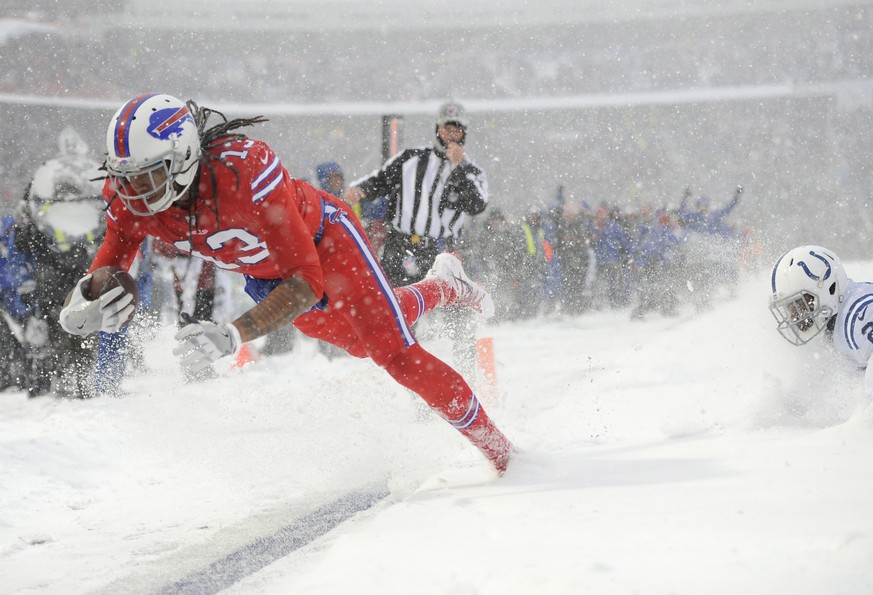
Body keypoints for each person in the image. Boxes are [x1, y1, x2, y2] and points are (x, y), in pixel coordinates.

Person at [57, 93, 512, 473]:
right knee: (360, 341)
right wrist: (82, 303)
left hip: (325, 242)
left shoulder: (243, 170)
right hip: (264, 274)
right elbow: (105, 269)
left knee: (392, 352)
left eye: (148, 175)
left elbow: (307, 281)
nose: (134, 191)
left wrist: (232, 333)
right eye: (126, 177)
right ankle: (444, 285)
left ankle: (502, 454)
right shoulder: (129, 197)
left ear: (184, 159)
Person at [342, 100, 488, 287]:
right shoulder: (410, 159)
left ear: (464, 133)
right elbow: (380, 180)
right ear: (438, 128)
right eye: (447, 128)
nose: (451, 135)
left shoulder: (472, 171)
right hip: (402, 247)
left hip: (442, 252)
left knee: (443, 310)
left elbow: (477, 205)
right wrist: (360, 190)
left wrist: (460, 168)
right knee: (396, 307)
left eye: (457, 130)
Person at [769, 245, 873, 391]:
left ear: (828, 288)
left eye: (799, 304)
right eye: (789, 307)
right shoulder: (832, 323)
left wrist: (863, 412)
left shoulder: (859, 314)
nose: (794, 316)